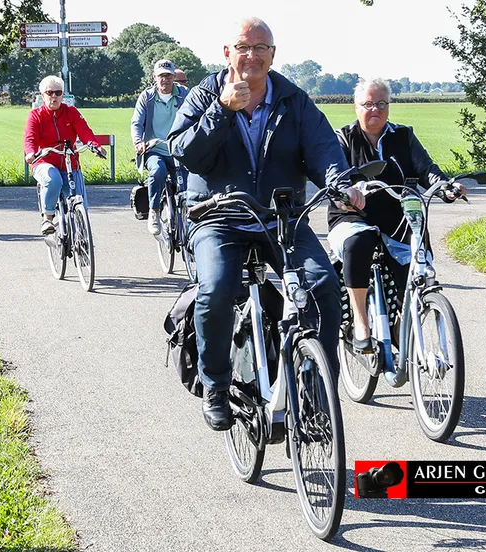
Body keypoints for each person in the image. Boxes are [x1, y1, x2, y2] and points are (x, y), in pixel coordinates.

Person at [168, 17, 363, 431]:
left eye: (261, 48)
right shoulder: (206, 96)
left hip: (281, 217)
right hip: (217, 215)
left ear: (273, 55)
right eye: (244, 47)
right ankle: (217, 385)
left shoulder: (293, 99)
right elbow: (184, 152)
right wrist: (222, 111)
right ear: (227, 53)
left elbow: (324, 148)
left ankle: (314, 385)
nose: (252, 55)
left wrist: (341, 183)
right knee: (217, 289)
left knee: (324, 285)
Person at [327, 77, 462, 352]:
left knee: (415, 263)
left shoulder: (403, 135)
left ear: (389, 106)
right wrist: (346, 192)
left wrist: (445, 186)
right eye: (368, 104)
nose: (374, 109)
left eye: (381, 103)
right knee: (359, 243)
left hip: (396, 215)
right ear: (356, 107)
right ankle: (361, 321)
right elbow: (335, 175)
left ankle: (405, 322)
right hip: (353, 214)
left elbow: (426, 168)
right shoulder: (342, 138)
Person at [24, 75, 104, 235]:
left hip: (70, 162)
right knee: (53, 180)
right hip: (44, 161)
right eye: (50, 92)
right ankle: (48, 218)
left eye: (58, 92)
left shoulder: (71, 112)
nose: (54, 96)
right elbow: (30, 137)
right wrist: (31, 153)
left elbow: (85, 132)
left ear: (62, 95)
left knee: (80, 201)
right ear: (42, 95)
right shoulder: (36, 115)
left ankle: (82, 239)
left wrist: (95, 146)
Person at [131, 59, 189, 235]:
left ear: (174, 78)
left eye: (169, 76)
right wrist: (139, 142)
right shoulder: (147, 97)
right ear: (154, 77)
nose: (165, 80)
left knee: (190, 180)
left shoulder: (184, 94)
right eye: (162, 76)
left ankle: (192, 218)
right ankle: (154, 211)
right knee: (157, 171)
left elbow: (197, 115)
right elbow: (137, 123)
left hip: (179, 149)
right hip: (155, 148)